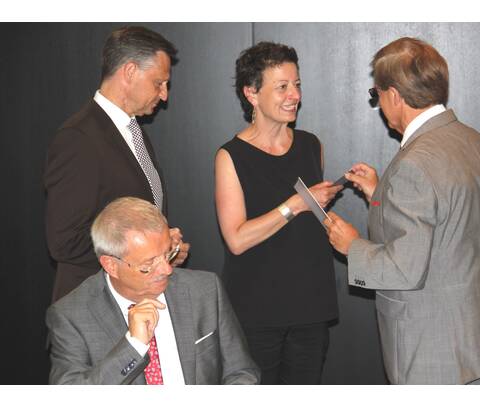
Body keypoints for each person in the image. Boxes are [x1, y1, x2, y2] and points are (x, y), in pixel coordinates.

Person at [324, 37, 480, 385]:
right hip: (479, 343)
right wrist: (379, 193)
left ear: (394, 95)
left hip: (434, 352)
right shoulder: (475, 141)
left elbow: (403, 270)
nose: (378, 103)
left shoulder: (415, 163)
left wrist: (351, 246)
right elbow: (447, 226)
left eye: (376, 94)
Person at [214, 41, 342, 385]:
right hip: (257, 312)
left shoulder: (311, 145)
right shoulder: (230, 156)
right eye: (282, 86)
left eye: (297, 84)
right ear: (251, 93)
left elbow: (311, 226)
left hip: (311, 308)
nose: (294, 95)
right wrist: (295, 204)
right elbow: (237, 239)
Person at [46, 197, 260, 385]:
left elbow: (241, 373)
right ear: (111, 265)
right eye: (148, 264)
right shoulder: (72, 316)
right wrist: (133, 346)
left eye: (168, 254)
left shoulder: (204, 290)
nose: (167, 269)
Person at [44, 26, 189, 302]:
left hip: (134, 303)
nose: (164, 94)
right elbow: (65, 241)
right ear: (130, 71)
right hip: (95, 307)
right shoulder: (78, 138)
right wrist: (150, 251)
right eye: (158, 83)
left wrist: (163, 249)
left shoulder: (132, 131)